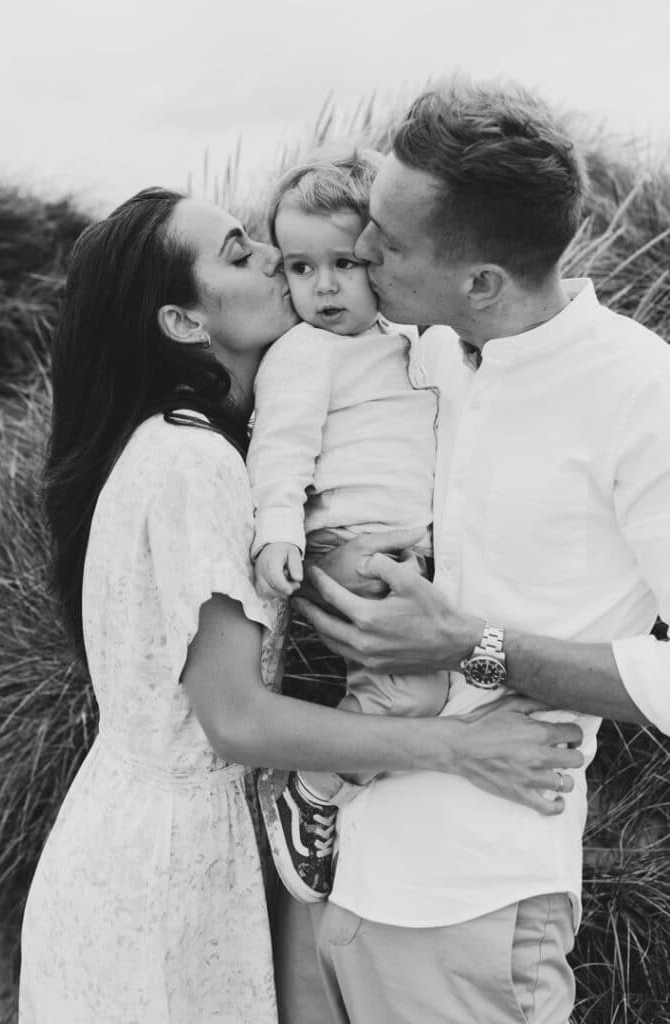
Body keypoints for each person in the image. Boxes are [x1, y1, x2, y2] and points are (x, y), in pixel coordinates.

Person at [17, 186, 582, 1023]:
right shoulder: (192, 463)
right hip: (164, 873)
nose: (276, 262)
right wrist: (460, 747)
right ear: (182, 324)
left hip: (167, 844)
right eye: (241, 253)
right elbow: (235, 720)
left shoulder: (207, 445)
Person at [285, 83, 670, 1024]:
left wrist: (466, 645)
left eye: (388, 240)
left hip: (476, 903)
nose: (363, 252)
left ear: (483, 280)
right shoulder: (421, 359)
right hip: (333, 887)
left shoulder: (640, 398)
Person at [247, 149, 448, 905]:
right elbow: (281, 446)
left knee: (427, 682)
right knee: (413, 697)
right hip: (347, 547)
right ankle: (310, 787)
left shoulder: (405, 343)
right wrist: (279, 531)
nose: (322, 286)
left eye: (343, 262)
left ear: (380, 259)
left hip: (406, 544)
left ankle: (347, 788)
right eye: (299, 268)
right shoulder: (306, 352)